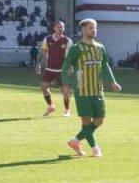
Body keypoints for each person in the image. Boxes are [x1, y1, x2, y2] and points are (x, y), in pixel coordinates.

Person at [63, 19, 122, 158]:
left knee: (99, 120)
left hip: (97, 90)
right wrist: (67, 84)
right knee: (86, 121)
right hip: (82, 90)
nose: (94, 30)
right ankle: (95, 148)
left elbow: (105, 65)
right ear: (83, 30)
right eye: (91, 28)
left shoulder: (100, 47)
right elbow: (66, 67)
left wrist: (113, 82)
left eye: (95, 28)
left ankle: (75, 141)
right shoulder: (76, 49)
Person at [35, 20, 72, 117]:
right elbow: (42, 51)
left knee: (64, 91)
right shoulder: (47, 39)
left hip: (62, 70)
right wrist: (38, 64)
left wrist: (71, 67)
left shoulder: (67, 41)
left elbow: (72, 56)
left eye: (62, 27)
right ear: (54, 28)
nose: (61, 29)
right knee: (43, 87)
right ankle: (51, 106)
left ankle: (67, 110)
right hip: (50, 69)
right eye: (59, 27)